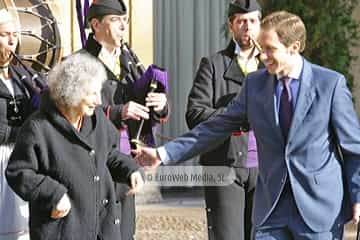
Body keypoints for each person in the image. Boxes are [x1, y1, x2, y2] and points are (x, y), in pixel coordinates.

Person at [134, 10, 360, 240]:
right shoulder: (255, 84)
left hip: (318, 209)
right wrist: (163, 154)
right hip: (270, 210)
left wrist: (358, 195)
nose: (262, 57)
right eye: (261, 48)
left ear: (294, 46)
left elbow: (353, 149)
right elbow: (214, 127)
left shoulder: (331, 85)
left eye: (270, 49)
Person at [5, 52, 145, 240]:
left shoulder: (97, 119)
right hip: (63, 229)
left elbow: (109, 153)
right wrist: (53, 194)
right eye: (92, 94)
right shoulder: (38, 127)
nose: (98, 101)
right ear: (71, 91)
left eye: (98, 92)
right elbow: (19, 171)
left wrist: (131, 170)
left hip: (102, 228)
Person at [83, 1, 169, 239]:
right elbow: (76, 112)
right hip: (96, 159)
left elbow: (146, 106)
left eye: (126, 20)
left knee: (125, 229)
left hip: (127, 158)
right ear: (96, 24)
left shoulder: (129, 60)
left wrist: (160, 105)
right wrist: (118, 111)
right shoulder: (80, 62)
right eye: (115, 20)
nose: (123, 26)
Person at [185, 0, 262, 239]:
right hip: (223, 165)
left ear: (260, 24)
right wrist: (235, 115)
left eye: (252, 21)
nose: (246, 27)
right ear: (231, 26)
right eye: (240, 21)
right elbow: (195, 114)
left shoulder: (273, 63)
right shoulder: (213, 64)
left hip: (266, 168)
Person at [0, 8, 45, 240]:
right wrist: (30, 131)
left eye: (14, 35)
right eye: (5, 34)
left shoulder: (20, 74)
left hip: (21, 157)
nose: (11, 41)